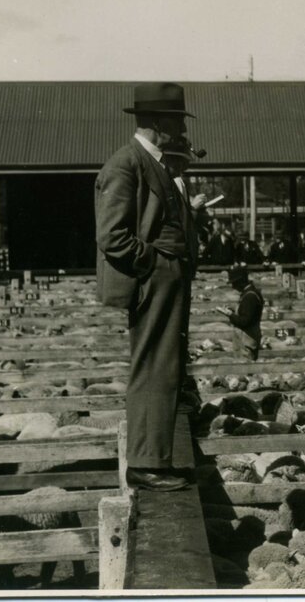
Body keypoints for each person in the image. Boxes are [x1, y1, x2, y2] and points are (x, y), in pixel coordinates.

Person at [95, 82, 199, 492]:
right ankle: (145, 463)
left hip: (167, 279)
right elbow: (111, 236)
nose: (181, 130)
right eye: (176, 122)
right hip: (155, 279)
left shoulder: (151, 163)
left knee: (166, 366)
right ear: (158, 123)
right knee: (154, 365)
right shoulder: (126, 164)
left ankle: (157, 459)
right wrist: (155, 264)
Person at [216, 266, 264, 361]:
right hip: (247, 338)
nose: (233, 286)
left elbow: (245, 321)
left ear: (241, 281)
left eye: (234, 283)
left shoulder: (250, 296)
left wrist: (229, 314)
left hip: (246, 340)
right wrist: (234, 311)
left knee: (244, 366)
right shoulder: (250, 293)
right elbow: (247, 314)